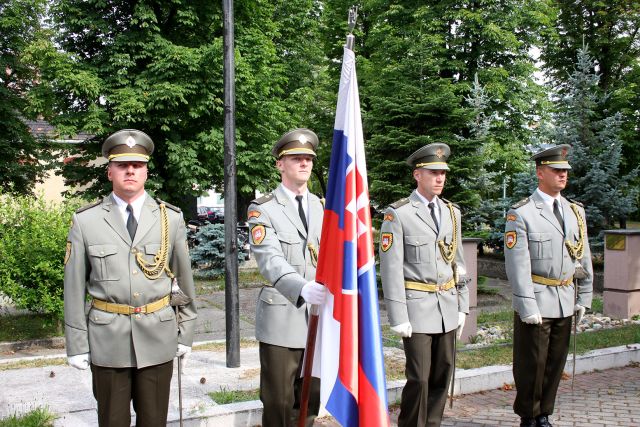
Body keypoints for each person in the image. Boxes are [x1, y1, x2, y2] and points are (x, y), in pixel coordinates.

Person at [63, 129, 197, 426]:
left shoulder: (170, 218)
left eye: (137, 165)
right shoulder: (86, 221)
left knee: (154, 420)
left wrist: (186, 332)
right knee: (112, 420)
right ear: (110, 171)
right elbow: (73, 288)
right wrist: (76, 343)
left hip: (158, 336)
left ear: (146, 171)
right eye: (122, 165)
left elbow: (184, 281)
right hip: (108, 340)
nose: (130, 171)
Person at [379, 143, 469, 427]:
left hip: (447, 306)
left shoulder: (452, 213)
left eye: (443, 173)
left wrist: (463, 306)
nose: (440, 178)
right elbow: (391, 268)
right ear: (417, 175)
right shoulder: (399, 214)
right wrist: (398, 316)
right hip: (416, 309)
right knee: (419, 378)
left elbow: (458, 264)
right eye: (433, 173)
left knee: (442, 375)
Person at [504, 144, 593, 427]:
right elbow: (517, 265)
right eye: (556, 170)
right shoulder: (522, 213)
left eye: (565, 170)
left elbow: (583, 255)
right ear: (540, 173)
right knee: (532, 363)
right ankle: (528, 417)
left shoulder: (574, 211)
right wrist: (526, 305)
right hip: (538, 298)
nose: (563, 175)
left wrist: (584, 297)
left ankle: (544, 414)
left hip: (565, 297)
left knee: (555, 362)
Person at [247, 128, 326, 427]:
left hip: (319, 315)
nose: (304, 163)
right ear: (280, 164)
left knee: (309, 401)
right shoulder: (263, 208)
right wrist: (302, 287)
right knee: (279, 402)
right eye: (296, 158)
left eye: (308, 158)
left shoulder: (323, 207)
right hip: (282, 316)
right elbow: (270, 259)